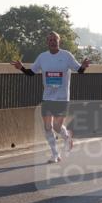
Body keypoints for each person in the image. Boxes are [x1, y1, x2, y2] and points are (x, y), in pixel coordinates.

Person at [12, 32, 90, 163]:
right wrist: (21, 68)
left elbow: (79, 70)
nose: (53, 42)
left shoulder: (66, 55)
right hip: (48, 97)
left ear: (59, 41)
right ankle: (55, 154)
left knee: (57, 127)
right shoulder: (43, 57)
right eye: (50, 40)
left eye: (55, 40)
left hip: (62, 97)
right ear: (47, 42)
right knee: (47, 126)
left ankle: (67, 137)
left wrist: (83, 66)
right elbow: (31, 73)